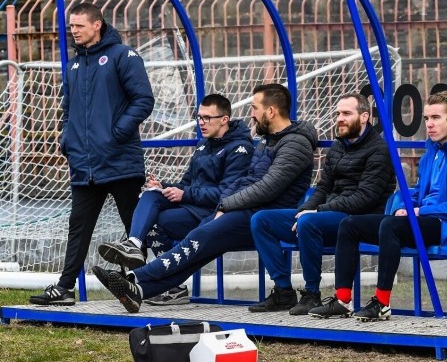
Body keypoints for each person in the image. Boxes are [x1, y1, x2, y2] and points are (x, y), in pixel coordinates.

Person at [92, 83, 318, 313]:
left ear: (270, 111)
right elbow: (245, 181)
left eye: (254, 108)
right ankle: (139, 290)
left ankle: (131, 276)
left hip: (265, 216)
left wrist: (225, 205)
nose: (251, 114)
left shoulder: (294, 143)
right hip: (247, 212)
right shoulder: (268, 140)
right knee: (197, 251)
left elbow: (267, 188)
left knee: (197, 240)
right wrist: (223, 204)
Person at [309, 91, 447, 322]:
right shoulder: (432, 152)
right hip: (424, 219)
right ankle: (343, 300)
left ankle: (382, 303)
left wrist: (421, 211)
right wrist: (405, 205)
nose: (429, 125)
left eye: (436, 118)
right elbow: (418, 190)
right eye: (426, 119)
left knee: (391, 227)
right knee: (350, 224)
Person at [30, 2, 154, 306]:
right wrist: (67, 139)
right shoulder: (74, 64)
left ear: (97, 24)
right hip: (85, 165)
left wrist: (116, 134)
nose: (73, 31)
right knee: (78, 226)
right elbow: (67, 109)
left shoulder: (123, 56)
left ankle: (152, 283)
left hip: (120, 161)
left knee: (134, 228)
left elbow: (144, 100)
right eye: (71, 26)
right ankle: (65, 288)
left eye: (79, 26)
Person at [96, 93, 253, 305]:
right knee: (152, 195)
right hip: (192, 208)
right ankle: (134, 244)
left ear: (224, 119)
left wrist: (185, 194)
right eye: (199, 117)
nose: (201, 123)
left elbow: (228, 194)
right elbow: (187, 182)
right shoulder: (203, 145)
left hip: (214, 215)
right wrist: (165, 187)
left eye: (208, 118)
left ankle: (141, 281)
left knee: (160, 222)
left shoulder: (240, 148)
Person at [248, 92, 396, 315]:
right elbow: (323, 188)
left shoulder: (379, 150)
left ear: (365, 117)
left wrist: (316, 211)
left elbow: (365, 198)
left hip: (357, 220)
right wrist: (305, 209)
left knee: (309, 222)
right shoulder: (338, 147)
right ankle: (283, 291)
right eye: (338, 113)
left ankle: (311, 294)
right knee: (261, 220)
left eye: (347, 113)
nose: (340, 118)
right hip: (325, 215)